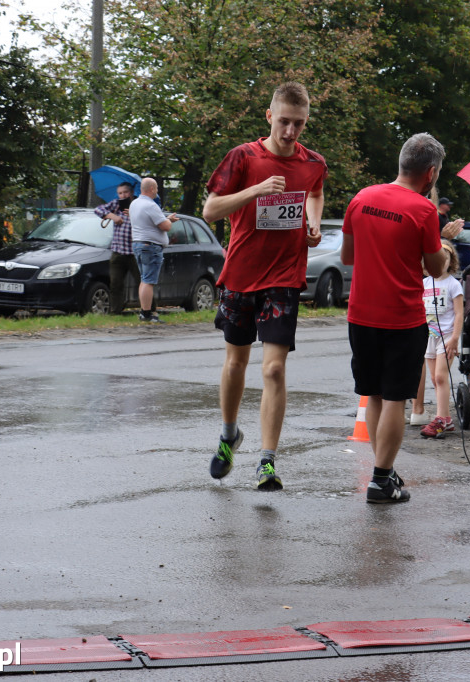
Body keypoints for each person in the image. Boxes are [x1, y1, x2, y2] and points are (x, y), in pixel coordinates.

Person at [203, 82, 327, 491]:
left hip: (284, 278)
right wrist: (256, 189)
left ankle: (267, 461)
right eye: (285, 122)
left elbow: (315, 191)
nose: (291, 132)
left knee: (273, 369)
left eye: (300, 124)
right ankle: (228, 435)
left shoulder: (313, 163)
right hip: (240, 274)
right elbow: (210, 209)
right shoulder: (243, 156)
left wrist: (312, 222)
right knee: (236, 363)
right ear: (269, 116)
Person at [342, 132, 447, 504]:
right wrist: (441, 246)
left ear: (402, 162)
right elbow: (436, 268)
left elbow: (347, 258)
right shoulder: (424, 210)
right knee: (396, 400)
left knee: (372, 394)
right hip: (402, 318)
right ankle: (382, 478)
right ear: (430, 173)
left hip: (361, 314)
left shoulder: (361, 199)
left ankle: (380, 471)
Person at [419, 241, 464, 438]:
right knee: (434, 380)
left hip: (446, 337)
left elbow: (459, 313)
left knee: (440, 377)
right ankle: (446, 419)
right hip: (428, 336)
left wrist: (455, 338)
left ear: (450, 262)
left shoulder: (454, 285)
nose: (440, 263)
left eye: (445, 259)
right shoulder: (424, 283)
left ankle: (440, 419)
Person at [129, 177, 179, 323]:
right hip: (150, 246)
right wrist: (169, 220)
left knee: (144, 280)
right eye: (156, 188)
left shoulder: (135, 204)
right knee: (148, 281)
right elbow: (166, 226)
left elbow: (151, 222)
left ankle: (144, 312)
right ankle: (146, 314)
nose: (157, 191)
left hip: (138, 244)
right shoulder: (150, 205)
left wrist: (166, 219)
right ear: (151, 189)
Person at [94, 182, 140, 315]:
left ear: (131, 193)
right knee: (115, 283)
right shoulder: (116, 204)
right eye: (120, 193)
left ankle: (149, 310)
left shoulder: (138, 206)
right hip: (118, 251)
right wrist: (112, 216)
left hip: (134, 252)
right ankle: (115, 312)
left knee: (141, 283)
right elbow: (98, 210)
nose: (123, 195)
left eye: (125, 192)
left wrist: (133, 215)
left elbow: (147, 222)